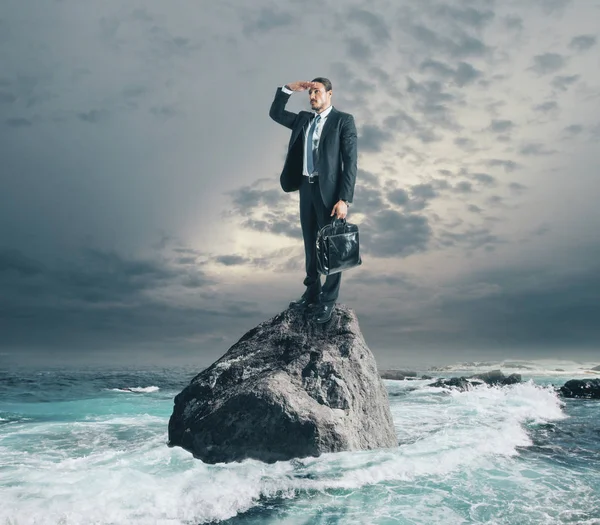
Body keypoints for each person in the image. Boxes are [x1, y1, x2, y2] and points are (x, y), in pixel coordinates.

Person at [269, 77, 358, 323]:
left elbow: (350, 162)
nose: (312, 96)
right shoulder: (303, 119)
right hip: (306, 188)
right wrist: (288, 90)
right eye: (310, 93)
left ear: (330, 94)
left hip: (329, 193)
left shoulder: (343, 121)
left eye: (317, 92)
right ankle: (311, 292)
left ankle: (327, 302)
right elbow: (275, 113)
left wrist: (344, 199)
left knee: (332, 247)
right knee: (310, 242)